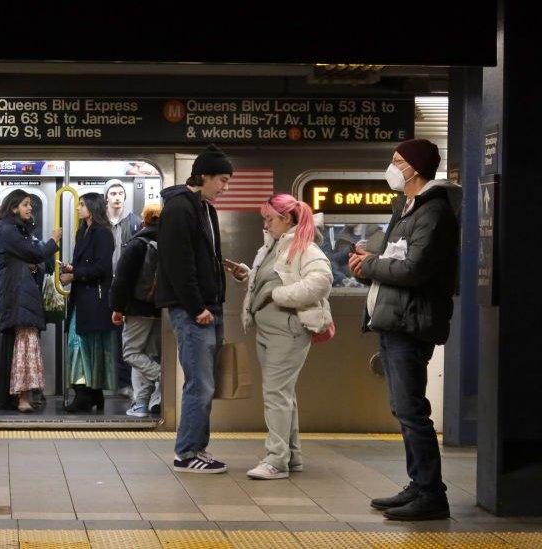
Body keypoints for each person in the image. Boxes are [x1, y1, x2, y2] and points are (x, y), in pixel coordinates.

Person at [349, 139, 458, 521]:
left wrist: (370, 264)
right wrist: (367, 266)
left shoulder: (434, 213)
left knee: (412, 411)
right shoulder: (408, 209)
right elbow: (394, 261)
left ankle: (431, 493)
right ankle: (419, 484)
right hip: (395, 317)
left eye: (398, 161)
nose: (392, 167)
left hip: (412, 321)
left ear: (416, 168)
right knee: (404, 408)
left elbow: (413, 269)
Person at [229, 194, 333, 480]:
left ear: (286, 219)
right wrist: (247, 274)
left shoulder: (305, 247)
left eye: (269, 219)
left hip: (288, 330)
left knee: (275, 394)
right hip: (268, 331)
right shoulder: (274, 246)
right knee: (282, 394)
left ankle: (276, 460)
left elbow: (321, 281)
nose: (265, 224)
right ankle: (292, 454)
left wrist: (279, 296)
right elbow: (272, 278)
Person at [156, 144, 231, 473]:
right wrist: (196, 305)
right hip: (194, 310)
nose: (225, 187)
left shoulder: (205, 209)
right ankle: (186, 452)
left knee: (205, 383)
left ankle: (197, 448)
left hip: (210, 307)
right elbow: (176, 262)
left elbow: (200, 257)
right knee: (199, 384)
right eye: (223, 180)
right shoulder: (180, 209)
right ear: (203, 176)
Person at [0, 189, 61, 412]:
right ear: (13, 208)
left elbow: (29, 257)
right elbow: (34, 253)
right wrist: (53, 241)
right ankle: (22, 397)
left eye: (31, 204)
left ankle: (20, 396)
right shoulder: (9, 230)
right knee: (24, 344)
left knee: (21, 344)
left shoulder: (13, 229)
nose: (30, 208)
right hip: (19, 295)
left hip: (20, 294)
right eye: (25, 204)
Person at [61, 193, 116, 412]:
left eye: (82, 205)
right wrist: (72, 268)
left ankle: (84, 394)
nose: (78, 208)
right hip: (83, 297)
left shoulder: (102, 234)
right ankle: (93, 394)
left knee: (80, 344)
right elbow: (87, 263)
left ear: (92, 208)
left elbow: (103, 268)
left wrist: (75, 275)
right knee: (86, 344)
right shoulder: (82, 232)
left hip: (95, 298)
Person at [110, 203, 163, 418]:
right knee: (149, 354)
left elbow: (122, 280)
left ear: (144, 220)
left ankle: (164, 377)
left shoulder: (137, 243)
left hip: (138, 308)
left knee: (131, 353)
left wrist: (117, 308)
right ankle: (142, 404)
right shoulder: (169, 243)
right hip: (161, 308)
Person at [105, 180, 141, 396]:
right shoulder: (100, 224)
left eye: (120, 193)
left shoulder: (135, 223)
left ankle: (125, 382)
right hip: (105, 285)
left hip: (126, 287)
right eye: (113, 193)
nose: (117, 197)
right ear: (106, 198)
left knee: (124, 338)